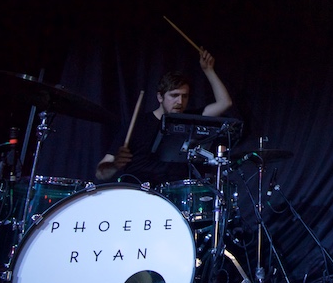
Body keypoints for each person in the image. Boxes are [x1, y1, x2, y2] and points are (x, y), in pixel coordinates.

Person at [95, 48, 233, 184]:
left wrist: (208, 71)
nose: (180, 101)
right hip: (140, 193)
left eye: (184, 96)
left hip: (176, 195)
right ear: (160, 97)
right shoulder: (138, 124)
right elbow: (100, 173)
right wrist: (115, 165)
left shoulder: (191, 120)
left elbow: (224, 103)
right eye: (174, 95)